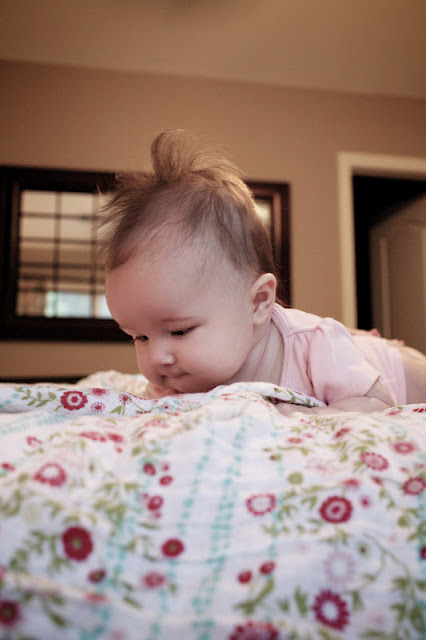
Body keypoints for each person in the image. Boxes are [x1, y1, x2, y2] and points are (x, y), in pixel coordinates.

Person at [101, 129, 426, 414]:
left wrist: (321, 419)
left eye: (179, 331)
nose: (157, 357)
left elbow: (377, 404)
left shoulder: (317, 347)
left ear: (258, 302)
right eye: (140, 337)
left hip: (394, 370)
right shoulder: (172, 383)